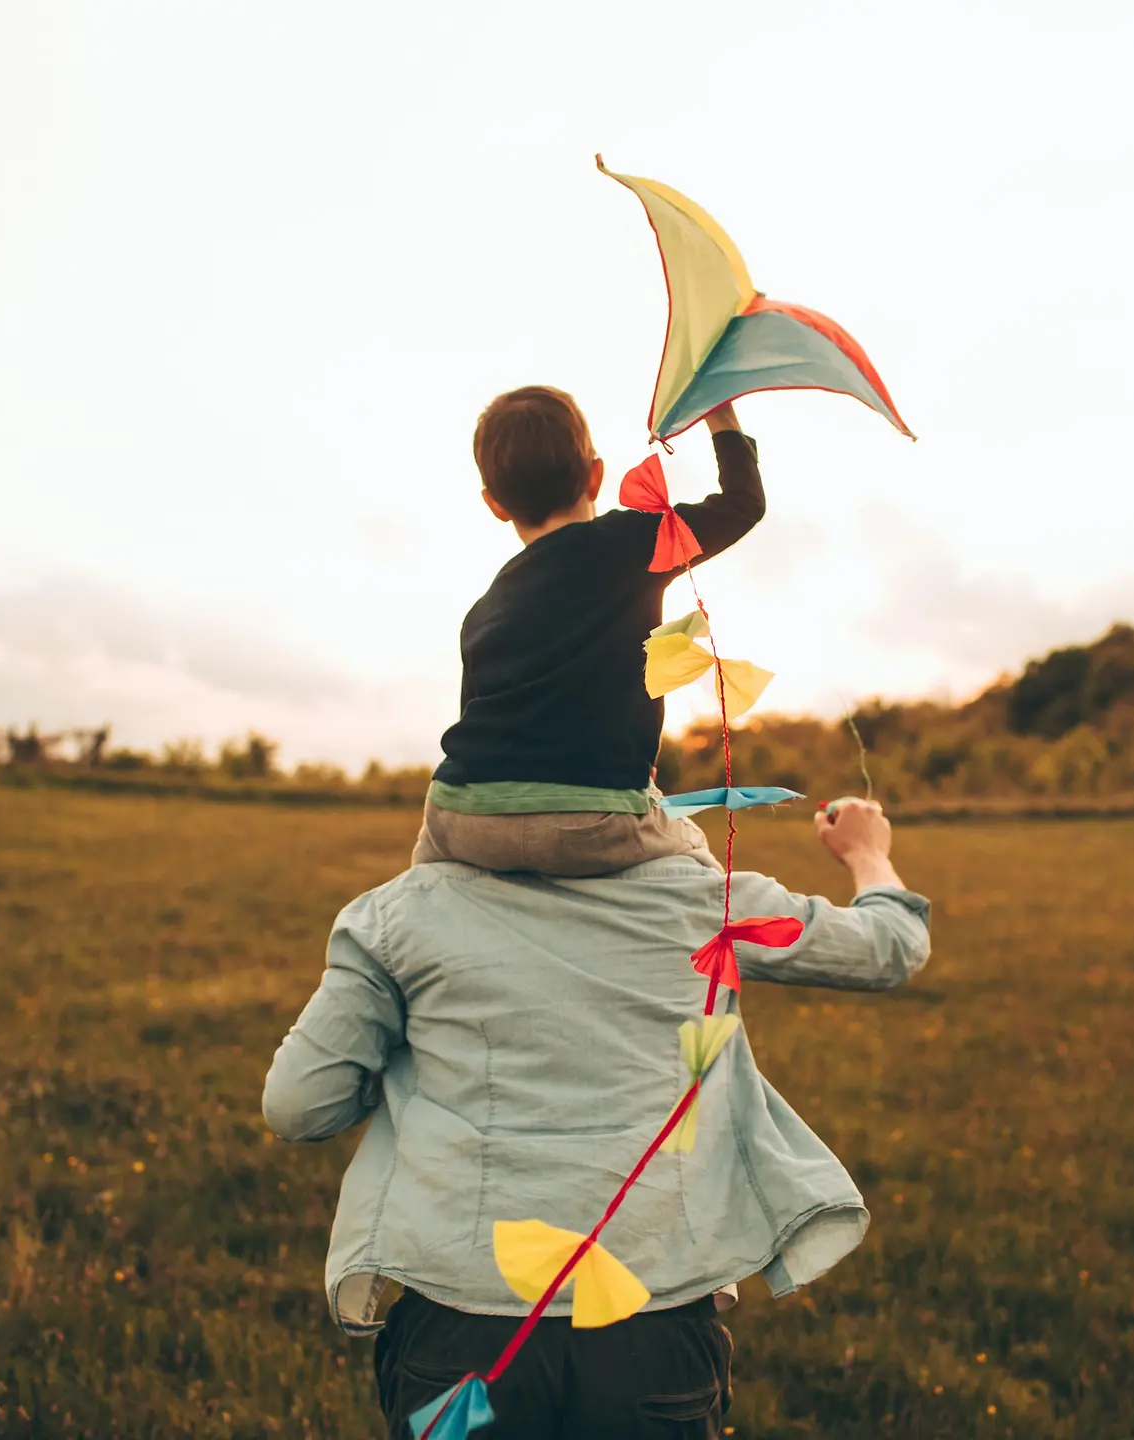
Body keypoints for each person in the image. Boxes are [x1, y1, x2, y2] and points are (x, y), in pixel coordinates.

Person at [263, 799, 931, 1439]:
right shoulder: (708, 902)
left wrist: (410, 1073)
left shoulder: (400, 914)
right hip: (652, 1326)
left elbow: (299, 1105)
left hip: (461, 1327)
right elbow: (890, 945)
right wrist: (866, 852)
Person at [412, 385, 764, 877]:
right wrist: (720, 416)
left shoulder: (484, 608)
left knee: (424, 884)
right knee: (693, 855)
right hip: (589, 818)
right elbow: (742, 504)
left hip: (457, 814)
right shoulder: (629, 543)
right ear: (595, 476)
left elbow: (481, 715)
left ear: (495, 504)